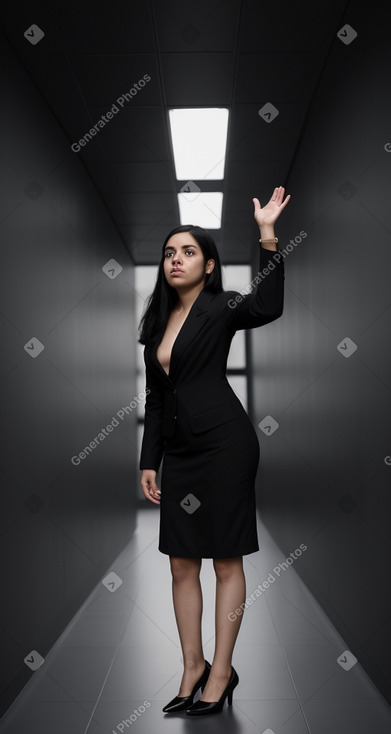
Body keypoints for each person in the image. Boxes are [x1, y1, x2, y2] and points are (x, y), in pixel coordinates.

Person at [138, 186, 291, 716]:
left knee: (225, 560)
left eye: (188, 252)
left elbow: (268, 305)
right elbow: (156, 401)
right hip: (180, 455)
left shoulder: (221, 306)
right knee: (181, 564)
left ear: (208, 266)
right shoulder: (155, 327)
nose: (175, 259)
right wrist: (147, 461)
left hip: (225, 446)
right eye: (169, 252)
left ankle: (221, 674)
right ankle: (192, 667)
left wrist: (267, 235)